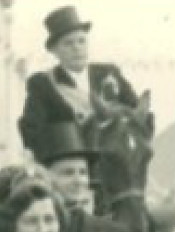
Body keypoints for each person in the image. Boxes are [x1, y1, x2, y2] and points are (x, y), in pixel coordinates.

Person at [32, 120, 149, 232]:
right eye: (68, 173)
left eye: (83, 172)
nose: (78, 180)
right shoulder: (25, 228)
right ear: (45, 176)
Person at [18, 5, 140, 158]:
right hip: (68, 161)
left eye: (81, 41)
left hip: (112, 162)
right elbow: (32, 131)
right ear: (55, 51)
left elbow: (137, 113)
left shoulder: (109, 73)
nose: (77, 48)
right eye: (68, 43)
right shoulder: (43, 84)